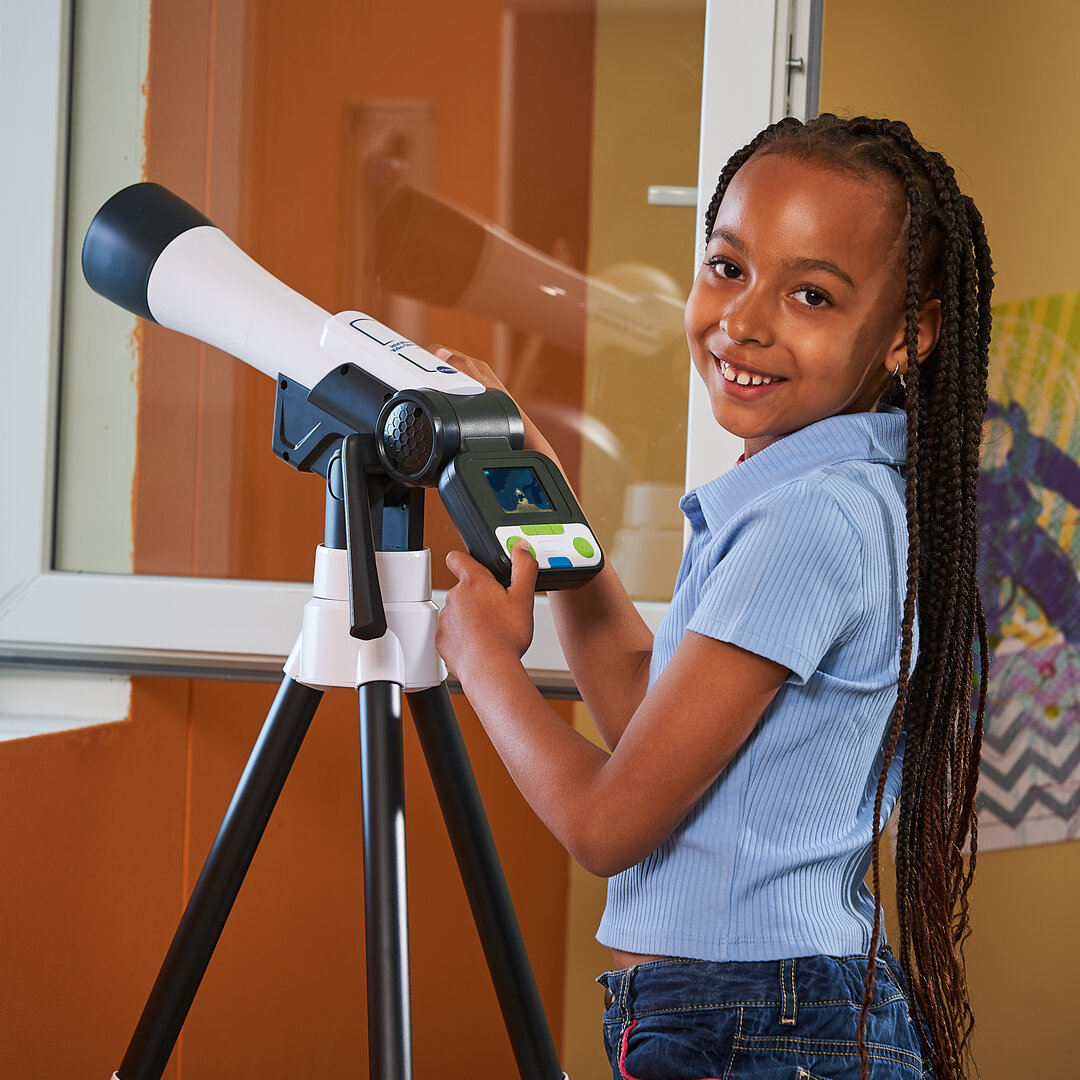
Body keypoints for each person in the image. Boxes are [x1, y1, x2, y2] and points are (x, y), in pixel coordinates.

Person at [434, 113, 991, 1080]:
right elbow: (649, 715)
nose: (745, 321)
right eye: (728, 266)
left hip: (754, 1028)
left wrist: (482, 661)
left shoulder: (808, 524)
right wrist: (546, 499)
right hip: (755, 1015)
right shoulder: (831, 494)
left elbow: (607, 826)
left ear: (912, 336)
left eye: (811, 293)